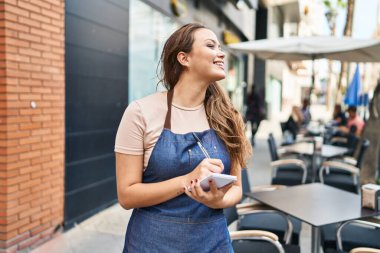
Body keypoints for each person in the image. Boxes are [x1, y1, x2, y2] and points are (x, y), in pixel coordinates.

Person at [114, 23, 252, 252]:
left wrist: (220, 201)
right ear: (184, 58)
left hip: (213, 242)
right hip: (152, 244)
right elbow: (127, 195)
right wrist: (187, 180)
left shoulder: (228, 117)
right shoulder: (140, 112)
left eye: (220, 47)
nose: (221, 53)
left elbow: (236, 186)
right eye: (210, 46)